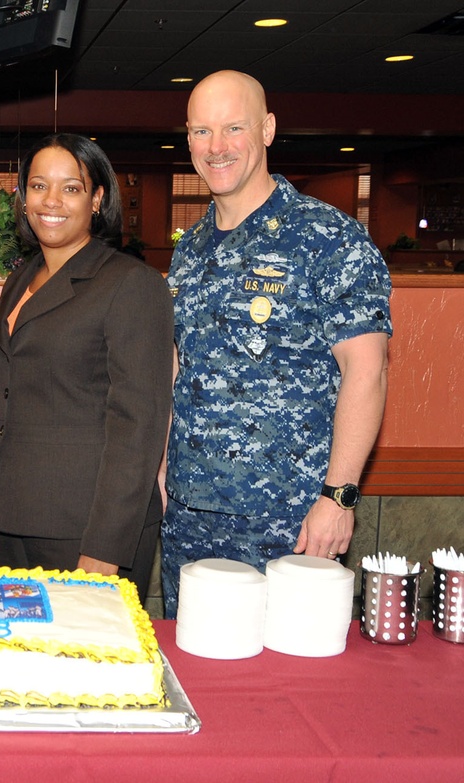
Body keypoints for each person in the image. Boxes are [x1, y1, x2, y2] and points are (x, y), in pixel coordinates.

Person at [161, 70, 392, 617]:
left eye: (232, 127)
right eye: (200, 131)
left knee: (287, 689)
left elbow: (368, 372)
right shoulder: (188, 250)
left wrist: (339, 497)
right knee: (195, 676)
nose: (215, 147)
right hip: (190, 519)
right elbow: (177, 367)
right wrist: (160, 469)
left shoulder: (328, 238)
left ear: (266, 129)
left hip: (292, 523)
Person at [0, 133, 174, 597]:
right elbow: (11, 406)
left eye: (71, 188)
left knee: (87, 665)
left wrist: (106, 545)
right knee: (22, 662)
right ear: (23, 197)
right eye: (39, 185)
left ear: (97, 199)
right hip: (18, 519)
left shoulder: (131, 284)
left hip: (88, 531)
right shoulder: (21, 279)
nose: (52, 201)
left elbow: (139, 424)